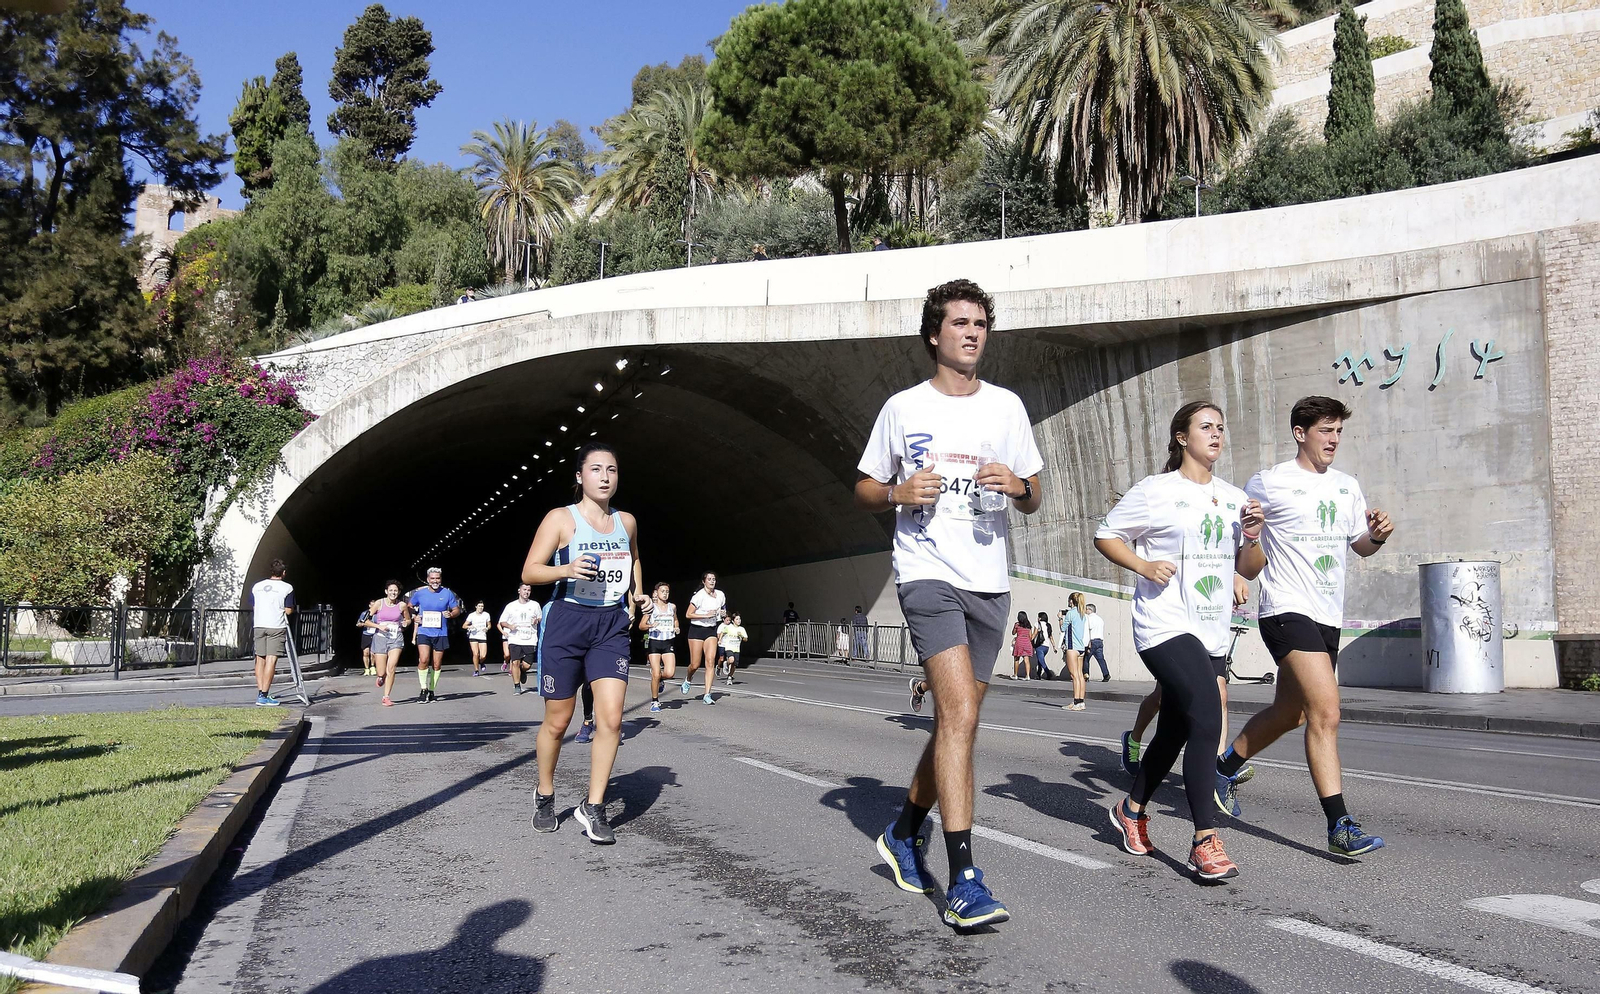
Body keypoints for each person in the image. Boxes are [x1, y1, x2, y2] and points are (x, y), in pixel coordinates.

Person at [857, 278, 1044, 930]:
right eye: (960, 323)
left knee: (954, 726)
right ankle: (965, 877)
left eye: (980, 324)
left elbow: (1036, 492)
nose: (971, 333)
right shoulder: (903, 408)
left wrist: (1018, 485)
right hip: (926, 572)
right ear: (935, 334)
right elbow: (864, 486)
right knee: (959, 714)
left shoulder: (1007, 409)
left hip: (989, 581)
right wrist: (899, 493)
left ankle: (905, 830)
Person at [1214, 396, 1394, 858]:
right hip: (1284, 609)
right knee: (1326, 711)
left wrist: (1376, 534)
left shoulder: (1347, 487)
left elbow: (1360, 546)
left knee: (1293, 712)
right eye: (1325, 431)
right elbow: (1248, 557)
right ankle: (1339, 824)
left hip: (1327, 614)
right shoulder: (1270, 483)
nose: (1333, 440)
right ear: (1300, 433)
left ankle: (1224, 766)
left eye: (1338, 432)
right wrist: (1246, 547)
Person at [1098, 401, 1265, 882]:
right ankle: (1204, 841)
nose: (1216, 434)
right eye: (1206, 427)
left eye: (1220, 427)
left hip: (1210, 626)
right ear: (1181, 437)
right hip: (1164, 623)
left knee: (1173, 729)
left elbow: (1249, 567)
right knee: (1208, 715)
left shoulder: (1234, 498)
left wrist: (1251, 537)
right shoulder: (1156, 491)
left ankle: (1131, 810)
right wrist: (1144, 566)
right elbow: (1106, 534)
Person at [522, 442, 649, 844]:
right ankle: (544, 794)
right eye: (596, 469)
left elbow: (633, 557)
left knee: (611, 719)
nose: (605, 477)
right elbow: (530, 571)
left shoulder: (626, 521)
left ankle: (593, 807)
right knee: (558, 722)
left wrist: (637, 594)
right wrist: (567, 568)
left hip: (610, 625)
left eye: (612, 470)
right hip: (567, 622)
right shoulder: (562, 519)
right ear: (580, 477)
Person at [1120, 576, 1255, 781]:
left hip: (1209, 624)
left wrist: (1234, 575)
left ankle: (1216, 766)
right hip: (1177, 626)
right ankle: (1133, 738)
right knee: (1162, 696)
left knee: (1220, 694)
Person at [409, 568, 461, 703]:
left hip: (441, 632)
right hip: (424, 631)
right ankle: (423, 689)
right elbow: (408, 606)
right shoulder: (420, 594)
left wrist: (451, 614)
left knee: (437, 664)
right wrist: (414, 616)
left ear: (441, 579)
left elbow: (456, 610)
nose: (435, 581)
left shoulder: (447, 593)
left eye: (437, 578)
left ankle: (431, 690)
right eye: (432, 578)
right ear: (427, 579)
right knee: (424, 659)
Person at [250, 561, 295, 707]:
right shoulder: (287, 588)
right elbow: (288, 610)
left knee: (259, 658)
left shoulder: (257, 586)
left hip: (259, 624)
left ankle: (260, 693)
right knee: (271, 659)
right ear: (283, 573)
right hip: (276, 625)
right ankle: (264, 695)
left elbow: (254, 605)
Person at [366, 581, 412, 706]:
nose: (393, 593)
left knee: (391, 667)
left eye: (396, 591)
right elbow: (364, 620)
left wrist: (405, 623)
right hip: (380, 638)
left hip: (396, 638)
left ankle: (386, 697)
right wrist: (378, 626)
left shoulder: (402, 605)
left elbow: (408, 620)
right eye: (391, 590)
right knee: (382, 671)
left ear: (399, 592)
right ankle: (380, 677)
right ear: (386, 591)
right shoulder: (379, 603)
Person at [681, 572, 724, 704]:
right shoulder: (699, 596)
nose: (712, 581)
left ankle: (707, 694)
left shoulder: (721, 595)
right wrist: (706, 615)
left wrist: (722, 614)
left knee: (710, 661)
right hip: (697, 630)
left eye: (714, 579)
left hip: (711, 630)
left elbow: (721, 610)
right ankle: (688, 679)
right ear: (704, 581)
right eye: (709, 579)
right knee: (695, 664)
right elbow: (688, 614)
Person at [641, 582, 678, 713]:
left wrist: (677, 626)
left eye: (667, 591)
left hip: (668, 642)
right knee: (655, 673)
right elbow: (641, 626)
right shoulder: (651, 608)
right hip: (655, 643)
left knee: (670, 673)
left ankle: (660, 679)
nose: (665, 593)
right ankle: (655, 701)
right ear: (657, 592)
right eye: (663, 591)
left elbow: (675, 619)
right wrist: (651, 626)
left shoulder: (672, 607)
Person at [498, 583, 542, 695]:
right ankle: (517, 686)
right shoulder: (511, 606)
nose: (526, 592)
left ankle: (523, 671)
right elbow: (502, 621)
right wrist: (509, 626)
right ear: (519, 591)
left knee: (527, 665)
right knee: (515, 662)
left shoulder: (535, 605)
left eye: (528, 590)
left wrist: (536, 620)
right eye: (524, 589)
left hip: (530, 638)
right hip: (515, 638)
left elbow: (540, 617)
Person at [1061, 592, 1088, 709]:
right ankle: (1081, 701)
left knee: (1074, 676)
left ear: (1071, 601)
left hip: (1072, 647)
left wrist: (1059, 619)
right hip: (1081, 647)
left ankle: (1076, 701)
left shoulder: (1070, 613)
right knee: (1080, 675)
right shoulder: (1082, 613)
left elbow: (1063, 628)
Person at [717, 612, 748, 684]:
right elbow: (722, 632)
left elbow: (746, 639)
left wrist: (742, 636)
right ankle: (726, 663)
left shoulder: (742, 629)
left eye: (740, 619)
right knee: (731, 660)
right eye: (737, 619)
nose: (739, 620)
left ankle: (730, 677)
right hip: (729, 647)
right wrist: (720, 640)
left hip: (737, 648)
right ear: (733, 621)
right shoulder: (728, 627)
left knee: (734, 665)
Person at [463, 600, 492, 677]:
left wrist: (487, 628)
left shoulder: (486, 615)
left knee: (483, 655)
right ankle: (476, 670)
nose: (480, 608)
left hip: (482, 636)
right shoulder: (471, 615)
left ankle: (482, 662)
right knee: (475, 654)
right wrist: (470, 626)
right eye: (479, 606)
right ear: (476, 607)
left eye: (482, 606)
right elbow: (464, 626)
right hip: (473, 636)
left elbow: (489, 625)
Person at [1084, 603, 1109, 682]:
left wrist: (1088, 643)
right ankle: (1106, 674)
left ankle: (1086, 675)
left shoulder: (1088, 618)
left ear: (1090, 610)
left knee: (1086, 659)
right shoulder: (1100, 619)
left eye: (1086, 609)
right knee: (1101, 659)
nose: (1085, 611)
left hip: (1092, 641)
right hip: (1100, 641)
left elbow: (1088, 629)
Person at [1010, 612, 1034, 680]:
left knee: (1016, 658)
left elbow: (1013, 633)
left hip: (1019, 642)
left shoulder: (1017, 624)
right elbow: (1030, 636)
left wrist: (1015, 629)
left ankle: (1015, 675)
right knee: (1026, 659)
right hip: (1027, 643)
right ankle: (1028, 676)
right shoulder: (1028, 625)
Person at [357, 601, 376, 677]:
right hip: (366, 634)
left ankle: (372, 667)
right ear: (369, 605)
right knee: (366, 653)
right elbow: (358, 623)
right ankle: (366, 669)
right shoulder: (364, 614)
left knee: (373, 653)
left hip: (375, 634)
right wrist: (364, 624)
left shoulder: (378, 615)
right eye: (372, 605)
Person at [1033, 611, 1053, 679]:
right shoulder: (1048, 625)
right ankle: (1038, 674)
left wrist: (1030, 640)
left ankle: (1048, 673)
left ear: (1040, 618)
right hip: (1047, 647)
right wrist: (1054, 646)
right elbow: (1051, 636)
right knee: (1039, 661)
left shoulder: (1037, 624)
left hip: (1040, 646)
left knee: (1041, 661)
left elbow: (1035, 633)